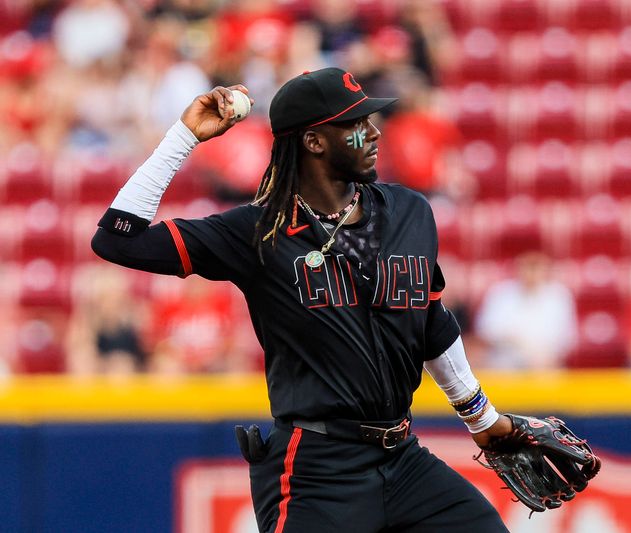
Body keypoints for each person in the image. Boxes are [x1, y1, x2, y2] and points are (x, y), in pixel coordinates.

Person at [91, 67, 515, 532]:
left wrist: (482, 419)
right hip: (317, 468)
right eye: (355, 124)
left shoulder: (410, 211)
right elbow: (118, 240)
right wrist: (183, 137)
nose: (373, 132)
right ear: (314, 142)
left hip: (403, 458)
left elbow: (430, 320)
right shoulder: (258, 232)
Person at [475, 251, 578, 369]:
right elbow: (486, 330)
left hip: (545, 365)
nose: (531, 273)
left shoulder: (559, 295)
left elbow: (566, 338)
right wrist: (513, 341)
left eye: (536, 267)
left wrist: (541, 355)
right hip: (504, 364)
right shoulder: (500, 293)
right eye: (527, 266)